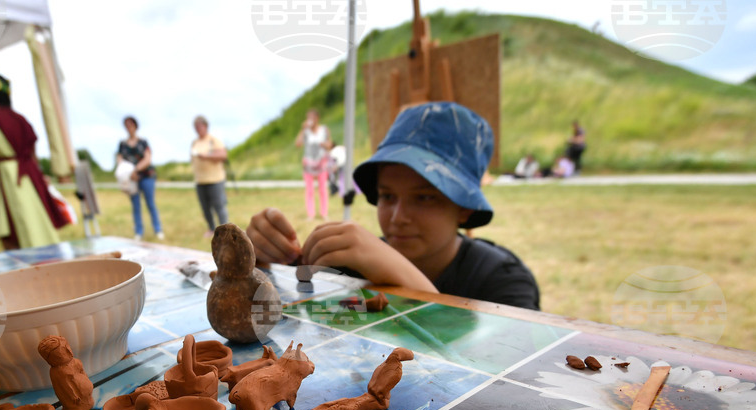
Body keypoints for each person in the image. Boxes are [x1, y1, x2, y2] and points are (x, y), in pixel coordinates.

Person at [247, 102, 540, 310]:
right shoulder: (351, 264)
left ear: (464, 208)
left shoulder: (503, 283)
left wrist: (401, 274)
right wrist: (268, 256)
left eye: (424, 197)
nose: (398, 218)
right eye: (387, 196)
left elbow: (512, 377)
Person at [0, 70, 69, 250]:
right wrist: (38, 174)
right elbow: (32, 151)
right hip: (29, 174)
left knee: (13, 227)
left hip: (8, 177)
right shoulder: (19, 117)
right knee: (37, 222)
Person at [116, 115, 164, 241]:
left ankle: (158, 230)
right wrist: (125, 173)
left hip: (146, 176)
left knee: (150, 203)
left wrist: (135, 170)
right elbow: (120, 159)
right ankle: (138, 232)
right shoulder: (122, 144)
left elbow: (147, 158)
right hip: (131, 179)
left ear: (135, 126)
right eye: (126, 125)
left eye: (131, 124)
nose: (129, 127)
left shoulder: (143, 142)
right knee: (135, 205)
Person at [190, 115, 229, 238]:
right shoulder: (195, 142)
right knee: (205, 207)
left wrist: (206, 156)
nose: (198, 129)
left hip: (215, 179)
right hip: (200, 180)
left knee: (219, 206)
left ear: (205, 126)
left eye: (200, 126)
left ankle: (225, 229)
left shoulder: (213, 140)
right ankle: (211, 228)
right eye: (196, 127)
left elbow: (223, 155)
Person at [295, 108, 332, 220]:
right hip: (308, 164)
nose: (309, 120)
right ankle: (310, 214)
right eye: (308, 118)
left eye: (311, 117)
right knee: (309, 190)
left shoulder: (324, 130)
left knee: (322, 189)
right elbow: (298, 143)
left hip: (322, 163)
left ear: (317, 118)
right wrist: (303, 129)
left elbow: (330, 144)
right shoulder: (306, 132)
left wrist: (324, 145)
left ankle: (324, 213)